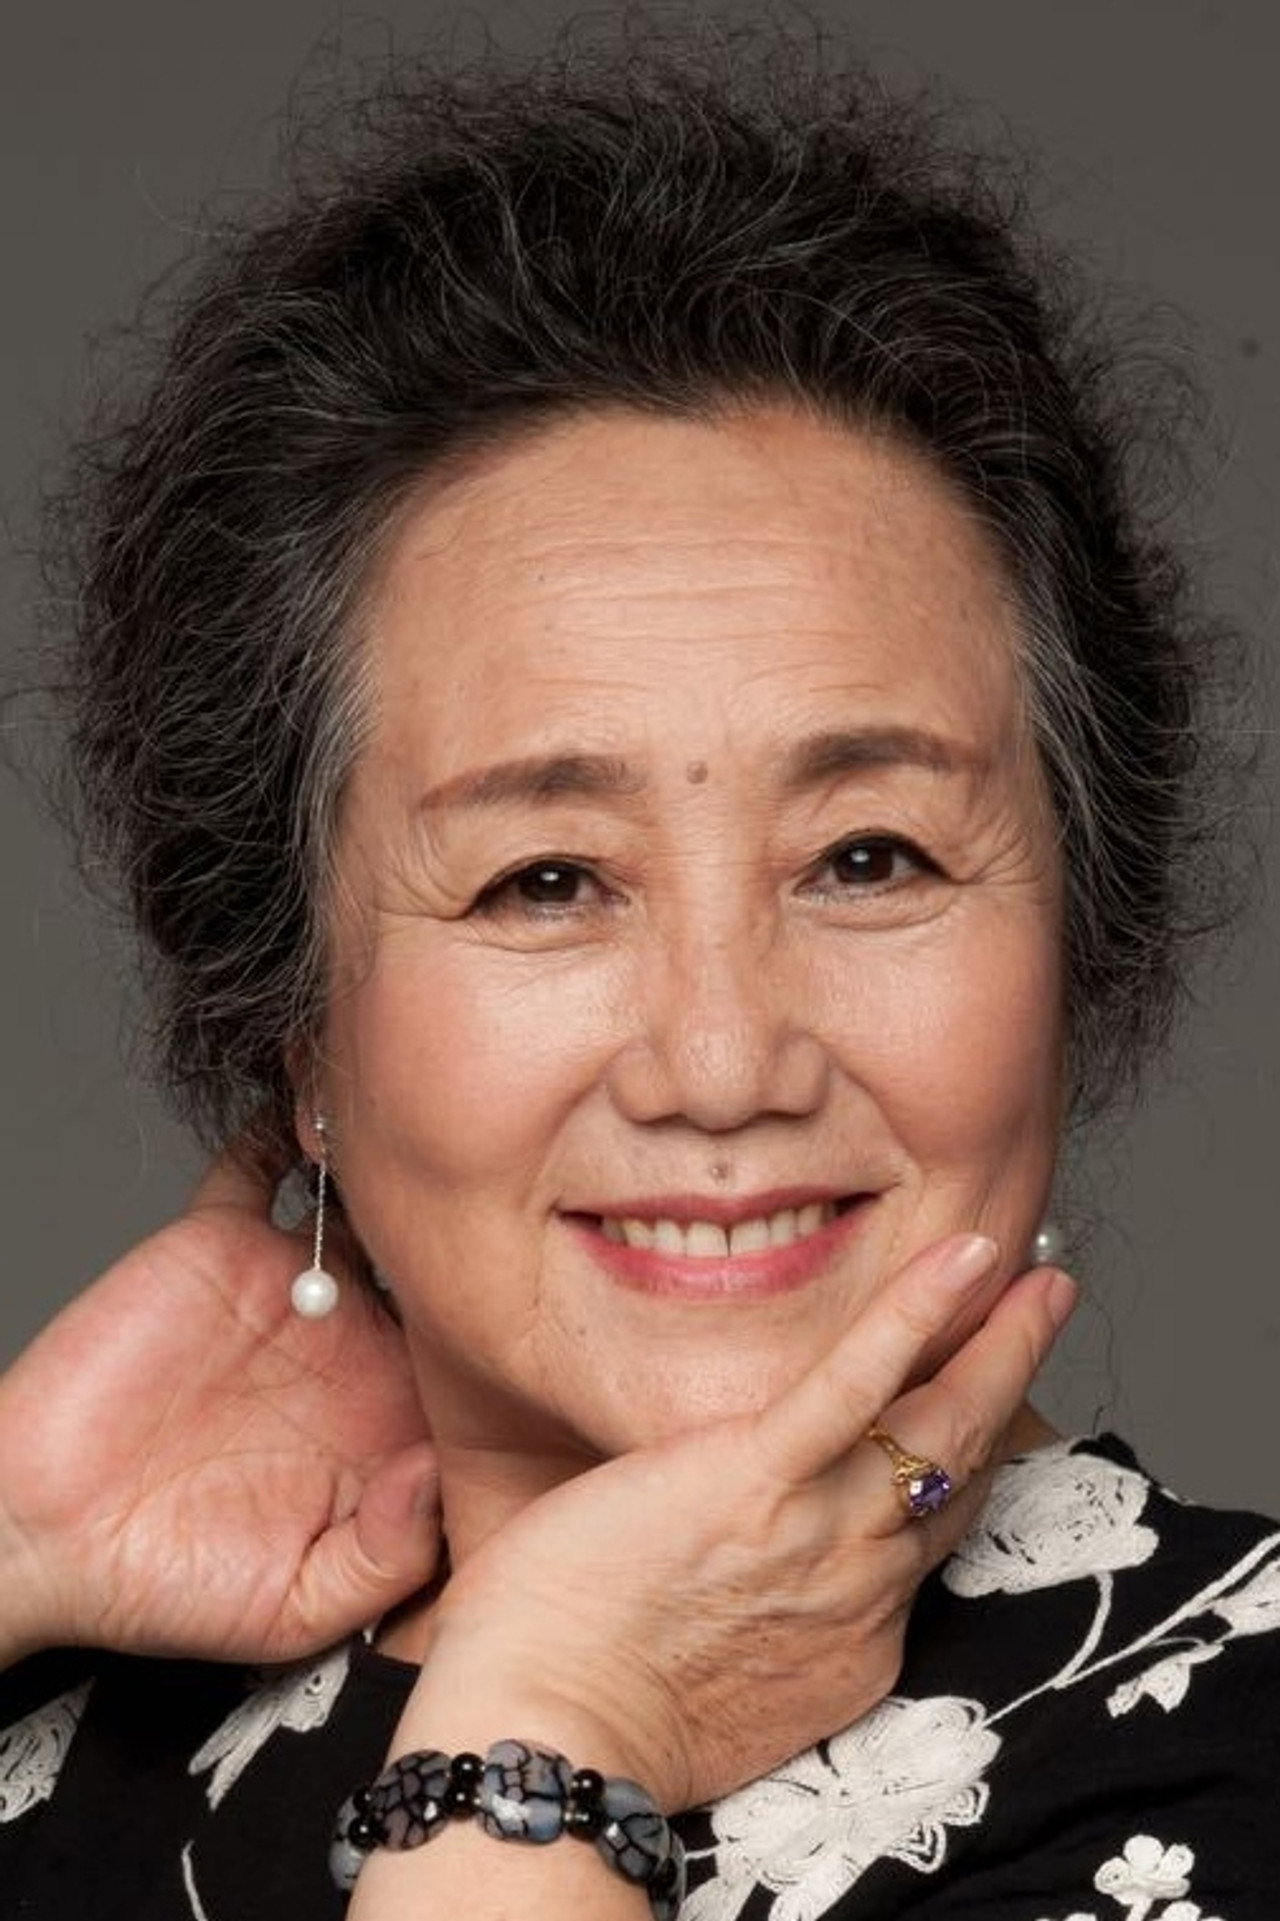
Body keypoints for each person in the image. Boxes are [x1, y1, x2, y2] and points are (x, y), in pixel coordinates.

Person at [2, 26, 1277, 1920]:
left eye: (868, 857)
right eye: (546, 881)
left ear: (1071, 937)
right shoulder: (62, 1703)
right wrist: (19, 1540)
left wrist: (551, 1721)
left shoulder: (1229, 1738)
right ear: (300, 1032)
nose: (723, 1056)